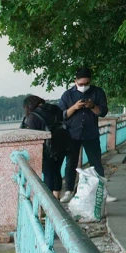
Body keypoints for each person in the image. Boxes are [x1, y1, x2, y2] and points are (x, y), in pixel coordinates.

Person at [58, 66, 108, 203]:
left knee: (96, 163)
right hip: (72, 134)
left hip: (91, 133)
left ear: (90, 81)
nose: (84, 86)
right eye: (81, 84)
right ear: (75, 81)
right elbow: (62, 115)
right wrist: (74, 107)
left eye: (87, 84)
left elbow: (102, 112)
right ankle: (68, 190)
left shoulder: (97, 92)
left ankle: (102, 192)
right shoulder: (67, 95)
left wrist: (92, 106)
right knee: (71, 163)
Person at [20, 94, 68, 198]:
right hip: (62, 146)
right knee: (56, 172)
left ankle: (49, 203)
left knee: (48, 174)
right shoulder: (55, 108)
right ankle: (57, 198)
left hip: (47, 149)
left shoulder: (33, 116)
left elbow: (32, 135)